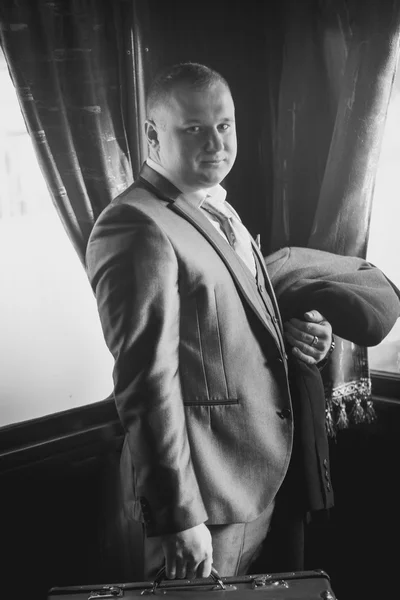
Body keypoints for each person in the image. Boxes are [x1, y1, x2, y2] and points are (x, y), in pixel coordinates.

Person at [85, 62, 334, 581]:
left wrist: (289, 333)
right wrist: (179, 515)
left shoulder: (218, 210)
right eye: (193, 128)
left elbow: (216, 330)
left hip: (258, 478)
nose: (215, 142)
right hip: (205, 499)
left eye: (224, 125)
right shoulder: (136, 223)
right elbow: (146, 383)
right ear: (153, 135)